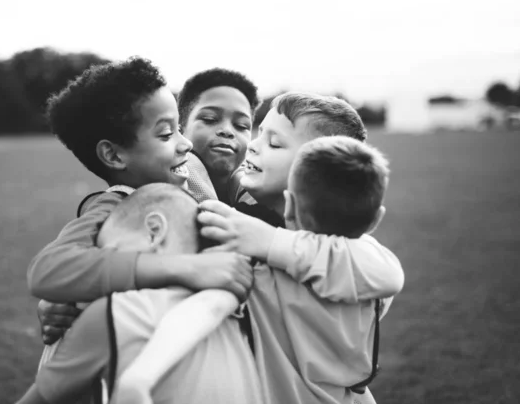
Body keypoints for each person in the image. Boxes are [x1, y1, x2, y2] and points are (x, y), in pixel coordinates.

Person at [118, 93, 404, 404]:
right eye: (259, 133)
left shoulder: (342, 257)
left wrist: (267, 241)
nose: (253, 144)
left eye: (275, 143)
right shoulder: (341, 260)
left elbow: (385, 273)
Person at [27, 57, 253, 367]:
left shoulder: (199, 179)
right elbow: (49, 271)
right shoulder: (116, 207)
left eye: (243, 125)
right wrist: (183, 267)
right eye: (166, 134)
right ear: (113, 154)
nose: (185, 144)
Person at [15, 184, 263, 404]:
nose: (104, 278)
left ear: (154, 231)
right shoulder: (240, 307)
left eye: (113, 253)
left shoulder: (117, 314)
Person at [178, 68, 260, 204]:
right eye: (210, 119)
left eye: (241, 125)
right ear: (180, 129)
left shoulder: (264, 197)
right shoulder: (156, 190)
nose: (227, 131)